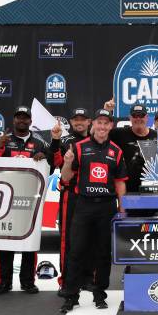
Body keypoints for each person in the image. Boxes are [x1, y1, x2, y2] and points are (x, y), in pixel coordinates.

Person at [59, 109, 127, 313]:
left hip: (106, 206)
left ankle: (100, 294)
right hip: (84, 205)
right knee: (76, 250)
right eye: (99, 123)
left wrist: (122, 210)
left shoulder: (117, 150)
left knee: (103, 252)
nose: (102, 127)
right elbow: (66, 178)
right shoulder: (78, 147)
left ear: (111, 127)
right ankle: (71, 295)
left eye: (106, 123)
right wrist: (68, 162)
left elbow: (120, 183)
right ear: (93, 125)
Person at [0, 105, 55, 295]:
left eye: (25, 118)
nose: (21, 120)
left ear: (30, 121)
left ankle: (27, 281)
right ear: (13, 120)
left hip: (30, 201)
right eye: (18, 117)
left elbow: (49, 170)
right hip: (5, 200)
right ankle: (4, 282)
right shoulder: (4, 141)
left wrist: (44, 159)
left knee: (29, 241)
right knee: (5, 242)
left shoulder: (40, 143)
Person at [52, 108, 92, 294]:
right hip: (71, 193)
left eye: (82, 119)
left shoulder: (96, 141)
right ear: (71, 121)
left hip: (92, 194)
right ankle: (66, 281)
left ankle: (88, 278)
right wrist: (55, 141)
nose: (79, 122)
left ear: (89, 121)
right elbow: (55, 163)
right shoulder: (65, 141)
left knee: (90, 238)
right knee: (67, 238)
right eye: (75, 119)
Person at [102, 100, 157, 195]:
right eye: (135, 116)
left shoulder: (157, 136)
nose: (138, 118)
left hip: (151, 192)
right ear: (130, 118)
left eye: (141, 115)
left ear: (147, 117)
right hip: (126, 191)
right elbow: (98, 133)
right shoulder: (119, 134)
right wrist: (106, 112)